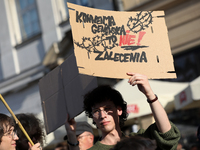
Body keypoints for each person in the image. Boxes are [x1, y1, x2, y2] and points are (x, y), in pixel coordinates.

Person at [65, 73, 181, 150]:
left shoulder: (140, 141)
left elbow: (168, 136)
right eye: (96, 111)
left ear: (119, 110)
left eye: (107, 109)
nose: (102, 115)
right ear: (92, 117)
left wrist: (149, 94)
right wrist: (71, 135)